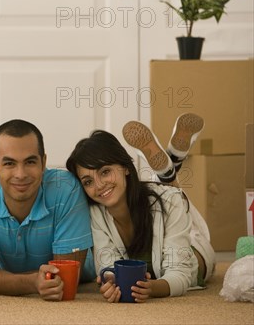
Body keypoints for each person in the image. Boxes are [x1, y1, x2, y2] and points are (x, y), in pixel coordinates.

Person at [65, 113, 215, 303]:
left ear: (126, 167)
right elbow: (106, 264)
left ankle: (169, 172)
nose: (99, 185)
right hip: (156, 203)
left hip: (194, 249)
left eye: (105, 172)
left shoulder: (169, 201)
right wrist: (111, 281)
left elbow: (181, 274)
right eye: (88, 181)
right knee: (168, 196)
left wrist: (152, 288)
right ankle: (171, 167)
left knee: (173, 198)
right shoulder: (95, 213)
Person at [0, 119, 95, 301]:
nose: (20, 174)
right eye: (9, 163)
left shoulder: (67, 188)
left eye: (30, 162)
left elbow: (64, 278)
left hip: (84, 277)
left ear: (43, 162)